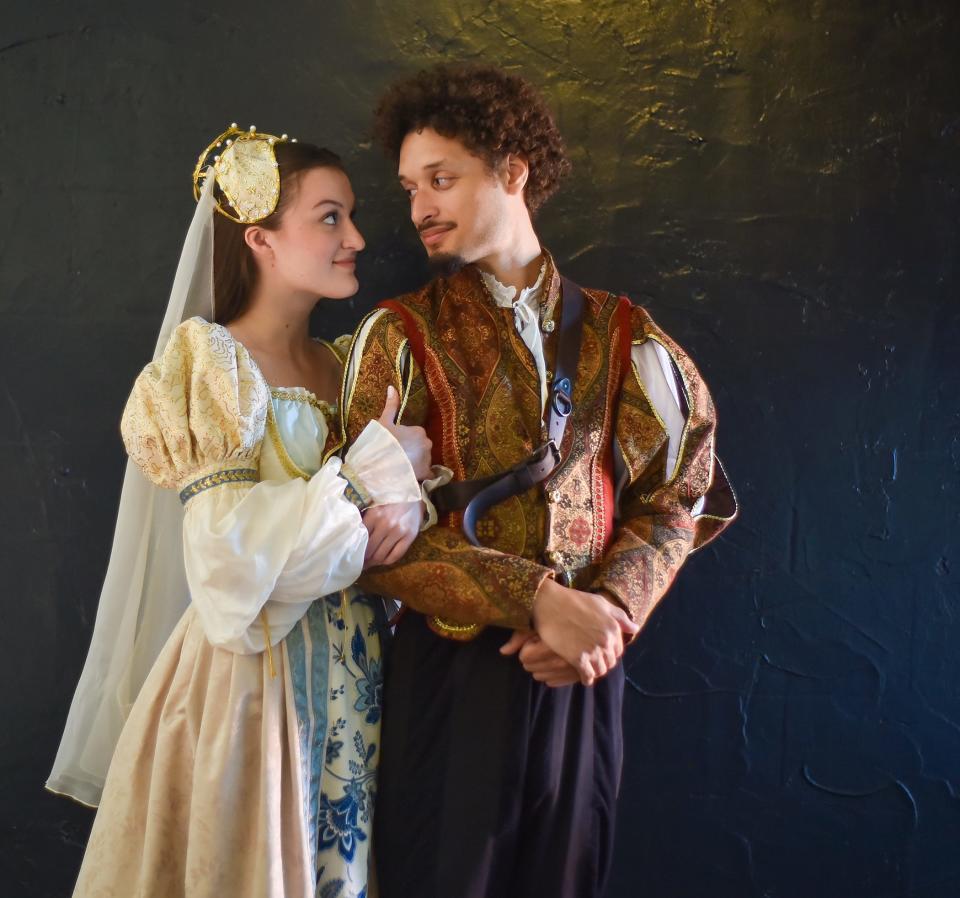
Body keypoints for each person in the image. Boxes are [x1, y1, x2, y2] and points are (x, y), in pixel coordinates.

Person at [339, 65, 739, 898]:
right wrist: (536, 598)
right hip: (448, 683)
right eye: (411, 187)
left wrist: (608, 616)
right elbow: (356, 538)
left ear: (513, 172)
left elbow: (680, 495)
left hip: (582, 676)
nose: (419, 208)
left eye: (441, 180)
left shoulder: (628, 336)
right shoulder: (399, 338)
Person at [47, 125, 433, 898]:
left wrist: (407, 505)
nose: (356, 236)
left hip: (359, 682)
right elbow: (227, 571)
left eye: (350, 215)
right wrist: (366, 481)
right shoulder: (214, 365)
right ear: (260, 238)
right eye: (330, 217)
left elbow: (377, 523)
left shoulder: (347, 362)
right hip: (255, 690)